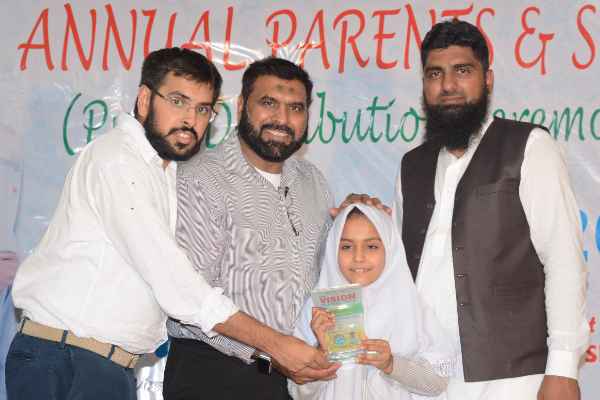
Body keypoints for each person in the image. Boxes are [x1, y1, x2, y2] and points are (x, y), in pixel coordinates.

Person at [6, 48, 331, 400]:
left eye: (202, 109)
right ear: (145, 99)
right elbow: (177, 285)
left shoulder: (165, 171)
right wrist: (275, 345)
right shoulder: (118, 161)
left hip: (102, 363)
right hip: (67, 358)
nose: (189, 119)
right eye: (178, 102)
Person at [394, 19, 589, 400]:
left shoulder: (528, 146)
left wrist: (563, 368)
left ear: (488, 79)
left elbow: (564, 258)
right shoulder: (410, 166)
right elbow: (400, 269)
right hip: (422, 378)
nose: (448, 85)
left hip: (513, 380)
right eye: (435, 74)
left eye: (462, 71)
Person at [163, 57, 338, 399]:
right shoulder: (200, 177)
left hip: (296, 379)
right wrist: (273, 350)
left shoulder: (314, 182)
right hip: (215, 378)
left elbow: (328, 276)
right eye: (269, 103)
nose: (282, 119)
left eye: (296, 108)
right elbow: (189, 298)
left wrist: (361, 216)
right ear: (242, 105)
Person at [289, 203, 456, 399]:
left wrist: (391, 364)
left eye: (371, 246)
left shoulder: (411, 307)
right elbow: (298, 393)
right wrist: (321, 352)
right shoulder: (317, 311)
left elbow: (438, 382)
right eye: (347, 246)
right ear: (334, 248)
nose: (358, 257)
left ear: (389, 248)